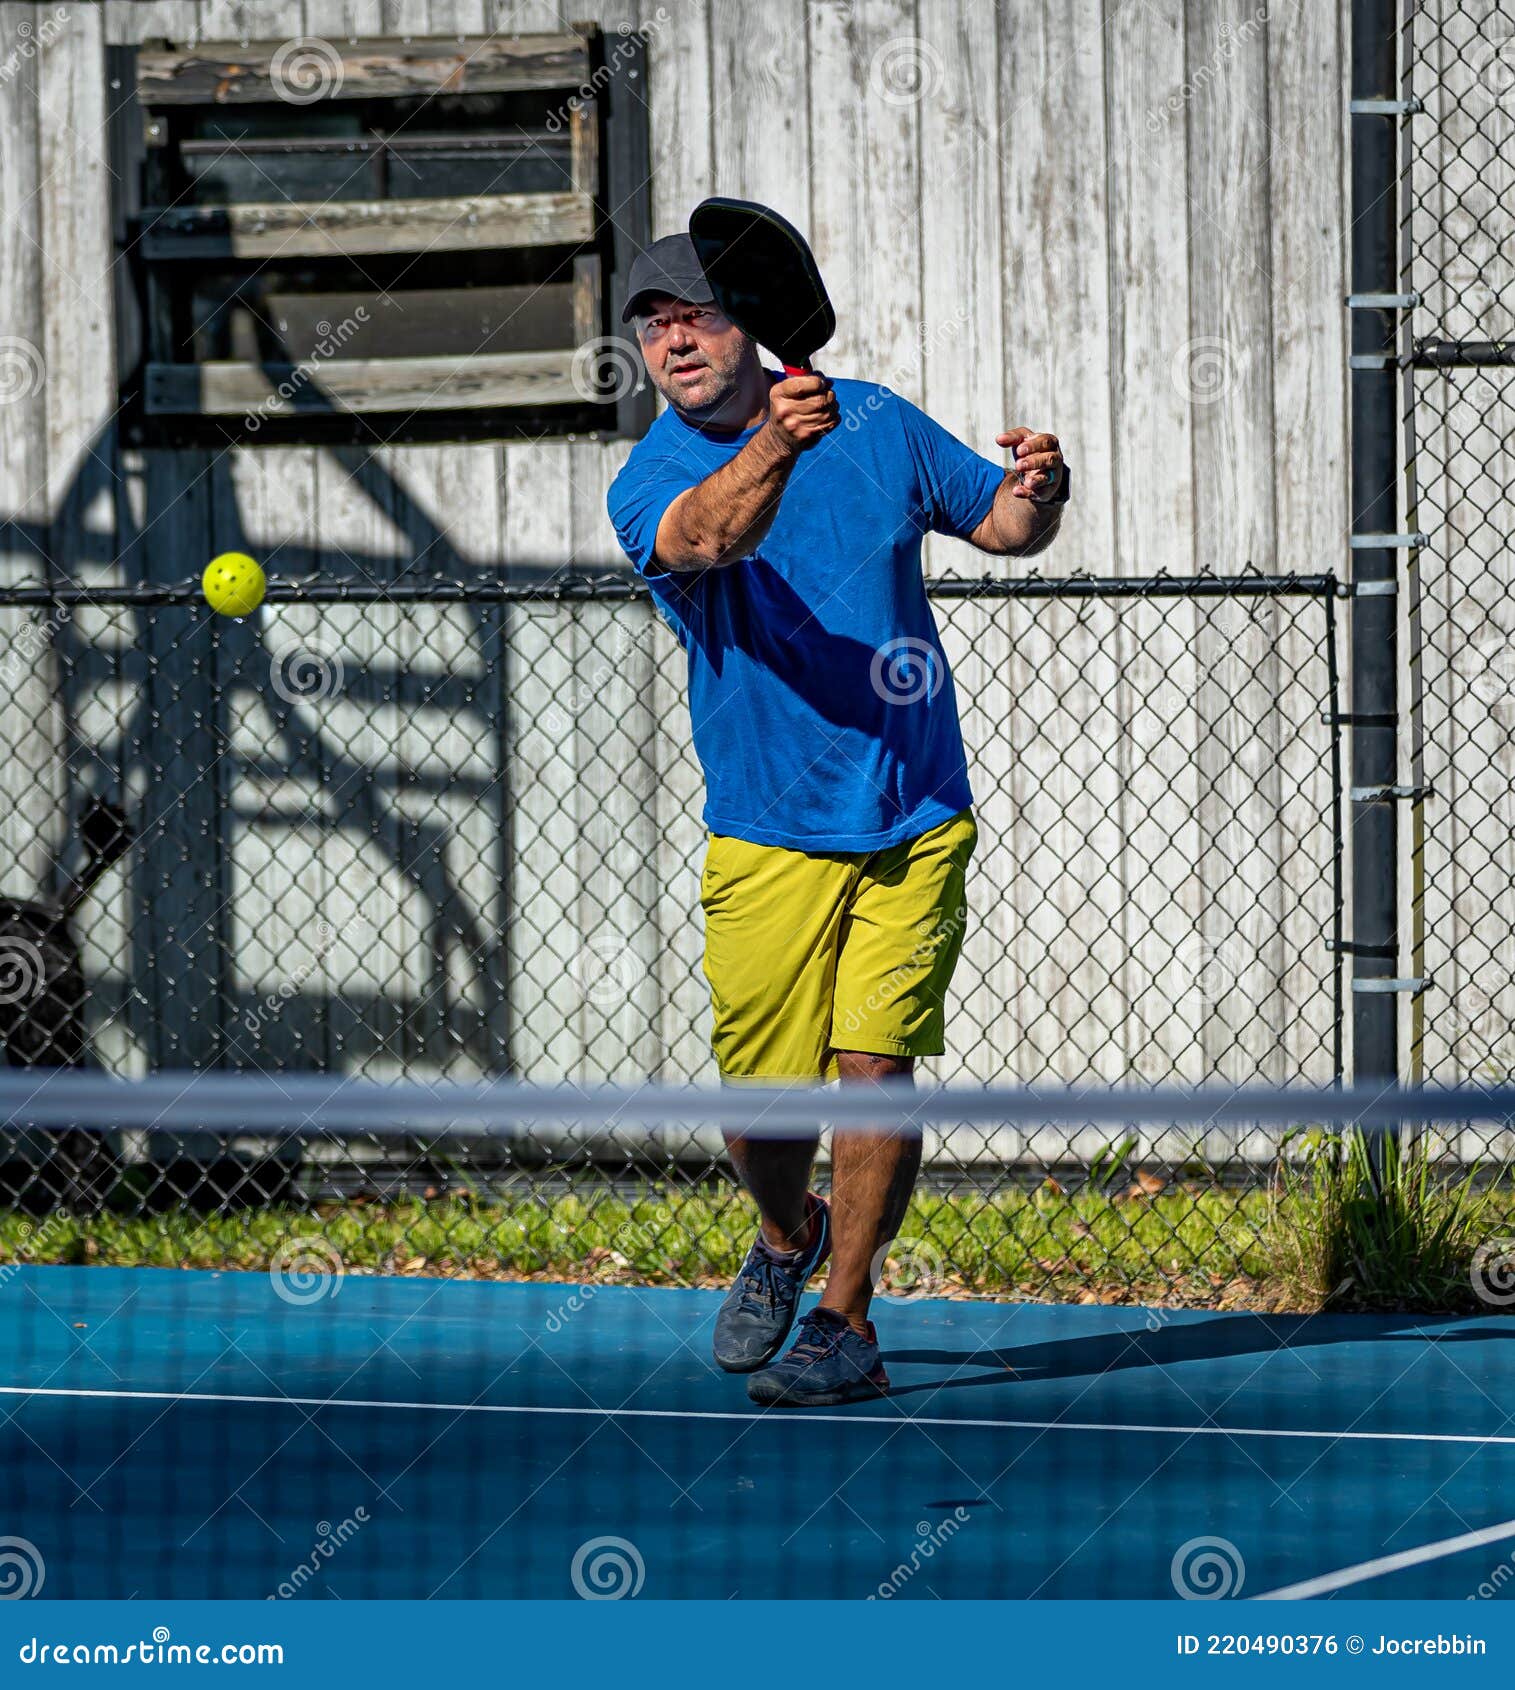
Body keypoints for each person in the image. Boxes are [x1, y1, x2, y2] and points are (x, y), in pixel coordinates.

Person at [606, 229, 1068, 1406]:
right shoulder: (647, 476)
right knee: (762, 1109)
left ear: (749, 320)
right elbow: (707, 538)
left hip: (915, 809)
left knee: (876, 1069)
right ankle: (782, 1233)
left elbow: (1005, 529)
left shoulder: (878, 422)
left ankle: (846, 1319)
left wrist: (1035, 492)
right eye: (651, 321)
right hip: (766, 826)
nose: (672, 337)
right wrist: (773, 443)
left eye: (695, 314)